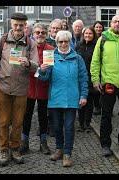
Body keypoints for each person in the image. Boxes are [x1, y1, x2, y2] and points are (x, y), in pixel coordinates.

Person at [0, 13, 39, 166]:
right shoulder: (2, 40)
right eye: (15, 24)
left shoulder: (30, 43)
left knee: (17, 122)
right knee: (2, 122)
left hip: (21, 89)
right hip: (3, 87)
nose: (18, 27)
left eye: (21, 25)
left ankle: (15, 148)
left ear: (25, 26)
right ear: (11, 24)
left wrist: (28, 63)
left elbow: (37, 65)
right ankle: (3, 149)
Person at [38, 30, 88, 167]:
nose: (63, 44)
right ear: (57, 42)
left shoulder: (77, 58)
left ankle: (67, 153)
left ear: (70, 42)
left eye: (66, 41)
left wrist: (83, 95)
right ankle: (59, 149)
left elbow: (83, 78)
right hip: (55, 98)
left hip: (72, 98)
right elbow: (44, 78)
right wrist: (42, 70)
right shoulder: (50, 56)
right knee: (57, 127)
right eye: (60, 41)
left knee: (69, 127)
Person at [91, 15, 119, 156]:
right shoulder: (103, 39)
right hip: (108, 82)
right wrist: (95, 80)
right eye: (115, 21)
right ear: (111, 23)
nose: (117, 24)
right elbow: (95, 61)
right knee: (106, 115)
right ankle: (105, 144)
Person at [20, 23, 54, 155]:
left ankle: (43, 143)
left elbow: (50, 70)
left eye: (43, 32)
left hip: (43, 88)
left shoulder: (50, 49)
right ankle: (24, 142)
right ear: (33, 34)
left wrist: (39, 70)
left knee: (43, 117)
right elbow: (21, 66)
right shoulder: (27, 48)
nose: (40, 35)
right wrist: (36, 68)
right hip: (28, 87)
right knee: (26, 116)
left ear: (46, 34)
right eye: (37, 32)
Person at [75, 26, 97, 132]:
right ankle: (80, 123)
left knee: (89, 102)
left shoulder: (96, 46)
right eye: (86, 34)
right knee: (81, 101)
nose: (88, 35)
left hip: (91, 76)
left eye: (90, 34)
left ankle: (87, 124)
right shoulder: (78, 46)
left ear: (93, 35)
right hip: (80, 77)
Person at [92, 21, 105, 116]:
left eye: (100, 27)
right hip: (95, 63)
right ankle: (97, 106)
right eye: (96, 27)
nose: (98, 29)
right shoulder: (92, 37)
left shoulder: (105, 38)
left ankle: (104, 106)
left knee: (104, 88)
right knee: (96, 88)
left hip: (104, 65)